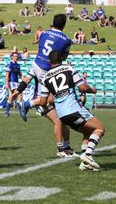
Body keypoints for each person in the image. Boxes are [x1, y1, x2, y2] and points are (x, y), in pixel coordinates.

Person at [13, 14, 76, 157]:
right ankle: (27, 104)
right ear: (64, 25)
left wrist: (17, 91)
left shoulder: (43, 33)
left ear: (52, 22)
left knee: (58, 112)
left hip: (36, 63)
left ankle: (66, 148)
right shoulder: (66, 40)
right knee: (48, 100)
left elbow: (40, 46)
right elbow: (62, 57)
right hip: (46, 69)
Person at [39, 51, 105, 171]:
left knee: (88, 132)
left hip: (62, 115)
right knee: (99, 128)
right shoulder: (69, 69)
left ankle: (85, 163)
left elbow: (43, 102)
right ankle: (87, 155)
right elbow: (83, 87)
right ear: (62, 58)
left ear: (49, 61)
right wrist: (93, 90)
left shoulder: (46, 77)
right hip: (74, 109)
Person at [5, 52, 26, 117]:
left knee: (12, 96)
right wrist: (6, 83)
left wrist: (25, 80)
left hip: (16, 83)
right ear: (12, 57)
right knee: (19, 94)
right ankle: (20, 112)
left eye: (17, 56)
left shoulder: (18, 65)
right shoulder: (10, 64)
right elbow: (7, 74)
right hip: (11, 82)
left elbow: (20, 74)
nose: (16, 57)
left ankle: (6, 112)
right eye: (15, 56)